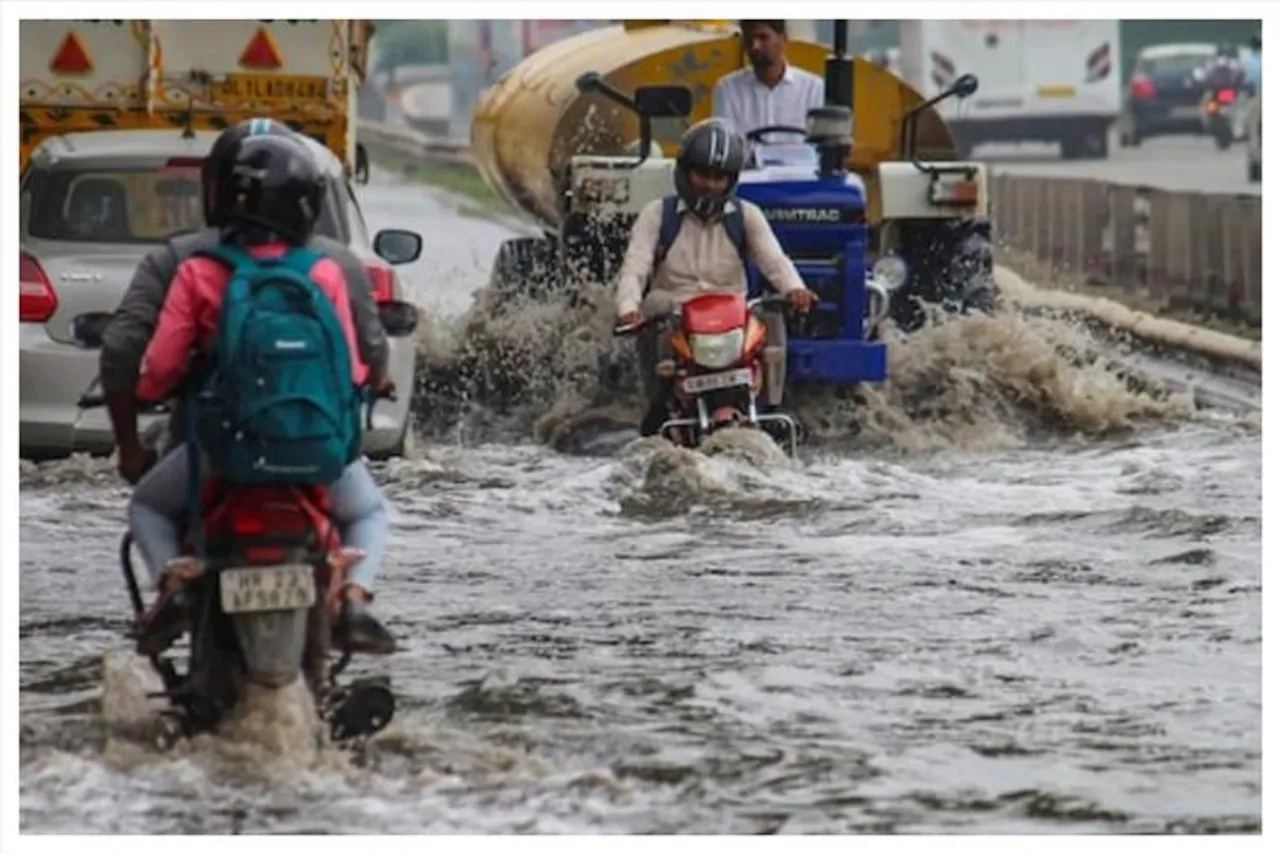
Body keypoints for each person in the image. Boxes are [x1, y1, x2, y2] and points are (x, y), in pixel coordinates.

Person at [101, 118, 396, 657]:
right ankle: (354, 600)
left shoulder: (192, 267)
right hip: (318, 454)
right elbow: (355, 368)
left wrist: (140, 407)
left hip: (221, 450)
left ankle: (175, 588)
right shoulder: (331, 269)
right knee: (369, 512)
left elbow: (155, 365)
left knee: (148, 505)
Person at [613, 119, 817, 435]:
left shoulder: (748, 215)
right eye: (703, 175)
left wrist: (796, 290)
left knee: (771, 316)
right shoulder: (657, 214)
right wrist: (628, 307)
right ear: (685, 172)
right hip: (676, 315)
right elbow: (634, 269)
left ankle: (770, 404)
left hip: (733, 318)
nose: (710, 184)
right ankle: (658, 404)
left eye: (719, 177)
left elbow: (775, 261)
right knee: (653, 314)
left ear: (731, 180)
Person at [712, 20, 825, 148]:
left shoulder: (814, 88)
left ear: (783, 39)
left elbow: (821, 146)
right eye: (749, 40)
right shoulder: (728, 88)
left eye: (763, 38)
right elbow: (724, 145)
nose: (755, 46)